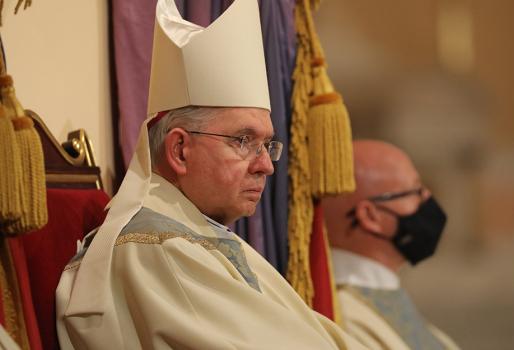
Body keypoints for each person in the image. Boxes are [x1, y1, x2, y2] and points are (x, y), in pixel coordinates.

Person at [55, 0, 371, 349]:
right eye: (243, 140)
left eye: (267, 144)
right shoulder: (158, 250)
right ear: (179, 151)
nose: (266, 165)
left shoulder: (202, 235)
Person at [323, 140, 460, 350]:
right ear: (371, 216)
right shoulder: (341, 317)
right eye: (415, 191)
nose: (428, 198)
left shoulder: (385, 293)